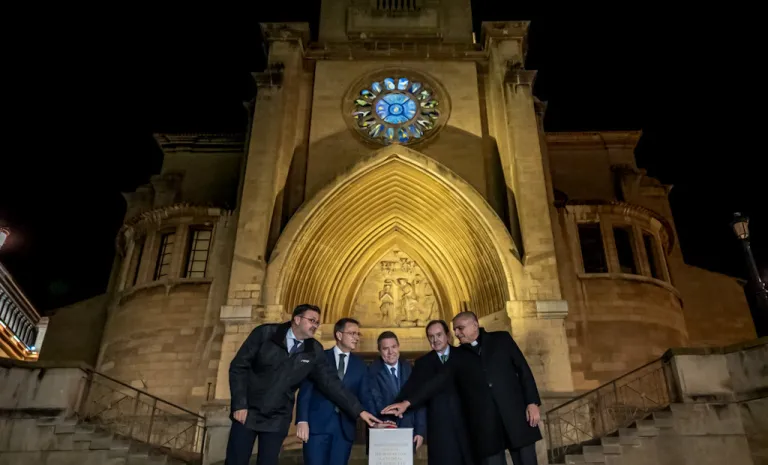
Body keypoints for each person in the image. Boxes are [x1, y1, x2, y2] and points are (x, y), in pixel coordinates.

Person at [226, 304, 381, 465]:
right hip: (247, 411)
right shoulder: (265, 333)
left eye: (317, 323)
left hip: (277, 418)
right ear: (297, 319)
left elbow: (331, 384)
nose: (315, 325)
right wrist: (239, 404)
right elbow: (239, 367)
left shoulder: (314, 350)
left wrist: (359, 411)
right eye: (312, 320)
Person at [382, 312, 542, 465]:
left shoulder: (502, 339)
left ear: (474, 325)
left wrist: (532, 402)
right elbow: (437, 382)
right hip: (487, 427)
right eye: (455, 329)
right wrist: (407, 403)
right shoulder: (459, 354)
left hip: (516, 418)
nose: (457, 333)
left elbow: (523, 370)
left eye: (460, 328)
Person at [295, 318, 373, 465]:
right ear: (339, 335)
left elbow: (365, 397)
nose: (356, 337)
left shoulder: (361, 366)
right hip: (317, 427)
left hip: (344, 430)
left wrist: (376, 419)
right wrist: (302, 420)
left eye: (358, 334)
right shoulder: (320, 357)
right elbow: (306, 391)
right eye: (352, 333)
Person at [398, 320, 474, 465]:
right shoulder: (422, 363)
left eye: (439, 335)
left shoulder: (464, 355)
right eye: (431, 336)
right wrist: (395, 409)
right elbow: (411, 391)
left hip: (467, 425)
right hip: (439, 429)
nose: (435, 340)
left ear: (447, 335)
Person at [368, 331, 427, 453]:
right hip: (382, 432)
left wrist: (420, 431)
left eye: (393, 347)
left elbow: (420, 401)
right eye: (385, 348)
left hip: (408, 433)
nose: (391, 352)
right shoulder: (370, 372)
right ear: (379, 351)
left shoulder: (411, 369)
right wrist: (376, 425)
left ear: (398, 347)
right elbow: (370, 402)